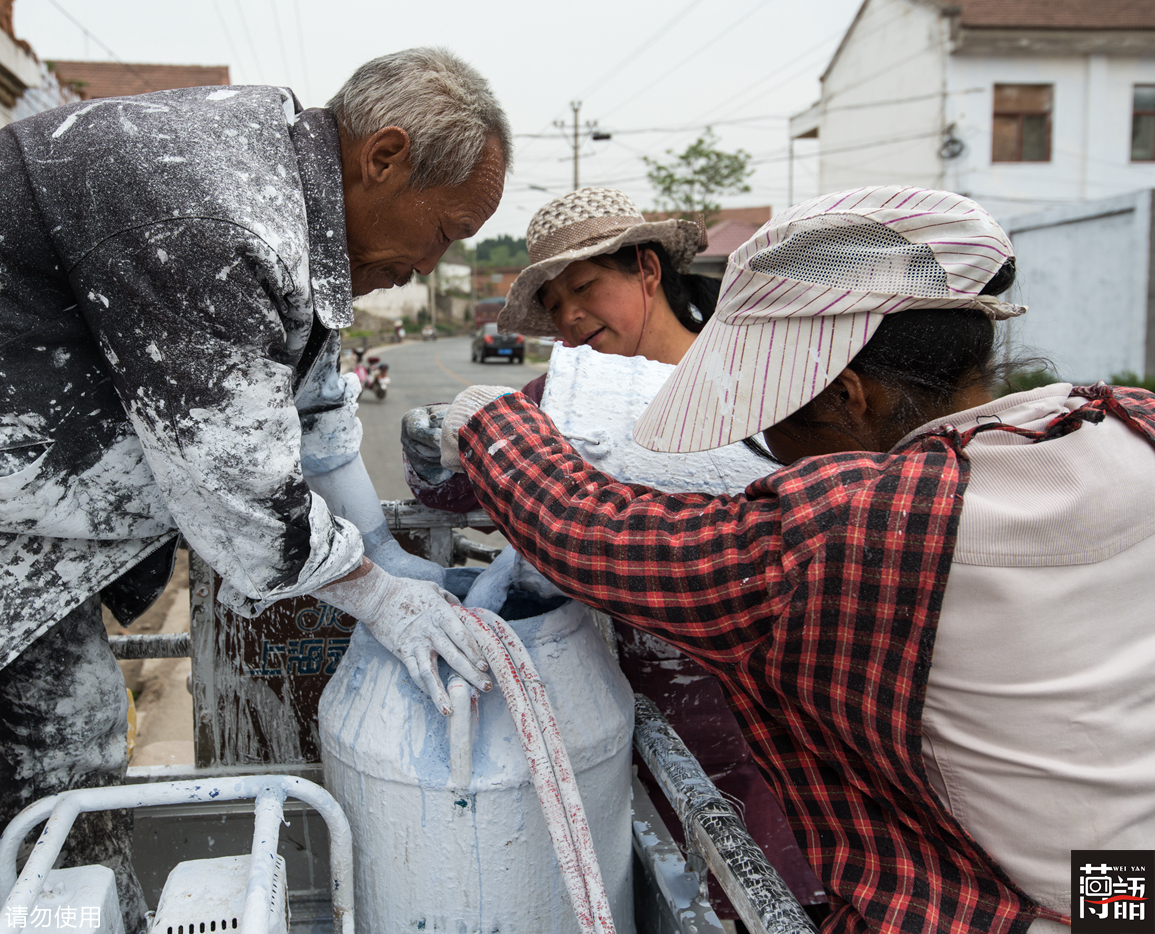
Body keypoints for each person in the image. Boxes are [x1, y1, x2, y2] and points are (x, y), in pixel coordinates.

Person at [0, 47, 507, 927]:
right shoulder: (213, 206)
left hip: (8, 509)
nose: (435, 260)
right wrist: (379, 596)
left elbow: (318, 405)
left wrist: (379, 548)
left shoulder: (295, 210)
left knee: (74, 754)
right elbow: (242, 499)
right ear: (383, 157)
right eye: (449, 230)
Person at [422, 186, 1155, 933]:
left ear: (847, 397)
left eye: (773, 422)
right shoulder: (1129, 424)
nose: (769, 458)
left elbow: (594, 532)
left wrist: (486, 418)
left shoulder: (857, 527)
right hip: (1125, 882)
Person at [403, 187, 828, 919]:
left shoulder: (762, 393)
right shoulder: (566, 397)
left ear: (647, 271)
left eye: (586, 286)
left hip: (753, 698)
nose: (570, 317)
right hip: (612, 694)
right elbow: (449, 480)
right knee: (647, 881)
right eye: (557, 300)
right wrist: (427, 444)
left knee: (758, 885)